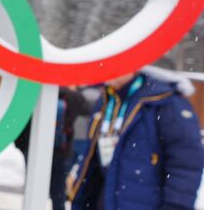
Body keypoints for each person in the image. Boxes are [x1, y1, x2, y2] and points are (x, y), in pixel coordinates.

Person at [68, 71, 203, 210]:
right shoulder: (106, 101)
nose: (108, 69)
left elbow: (186, 162)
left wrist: (176, 206)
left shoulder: (165, 101)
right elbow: (92, 162)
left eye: (117, 63)